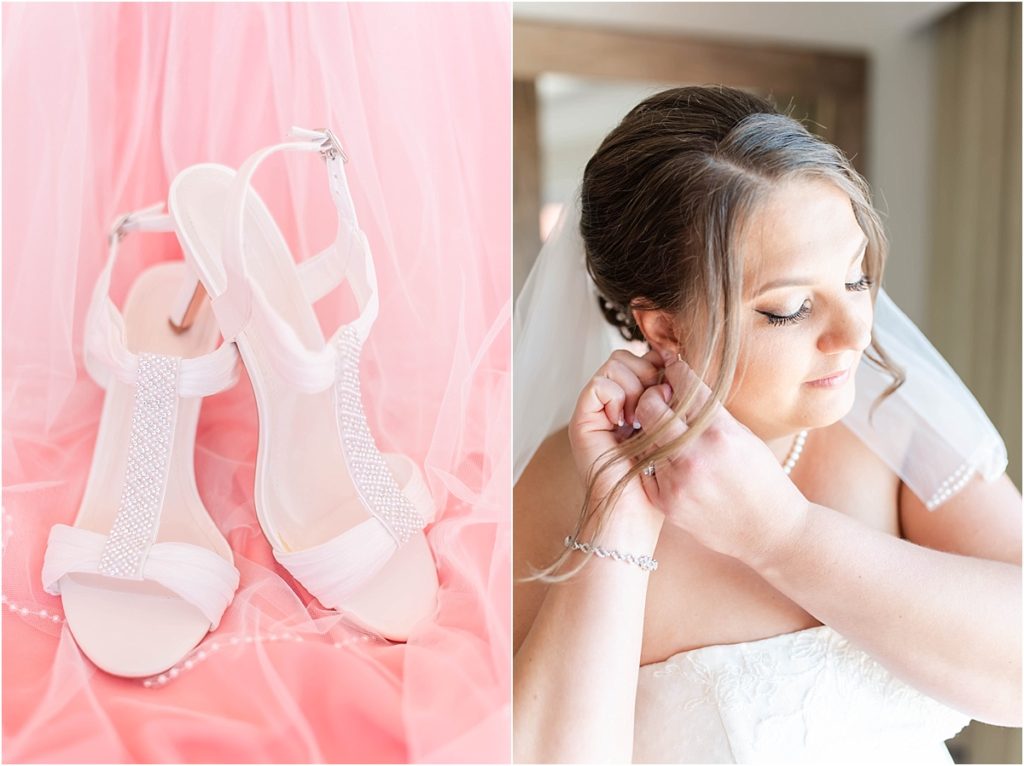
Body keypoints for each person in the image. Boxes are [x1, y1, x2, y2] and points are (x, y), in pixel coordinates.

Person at [512, 85, 1021, 763]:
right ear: (663, 327)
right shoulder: (560, 486)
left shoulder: (892, 424)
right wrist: (619, 521)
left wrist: (785, 535)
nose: (851, 334)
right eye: (788, 308)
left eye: (857, 279)